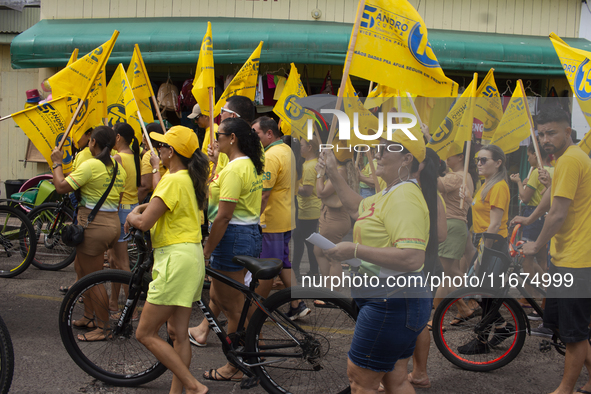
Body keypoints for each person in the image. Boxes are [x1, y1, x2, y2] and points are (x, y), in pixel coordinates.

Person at [319, 128, 436, 393]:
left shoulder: (404, 196)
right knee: (395, 377)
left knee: (361, 381)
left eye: (387, 148)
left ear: (407, 159)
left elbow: (412, 257)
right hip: (394, 299)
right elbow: (355, 207)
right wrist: (333, 172)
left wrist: (355, 250)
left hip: (391, 301)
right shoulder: (390, 192)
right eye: (377, 147)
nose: (377, 153)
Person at [125, 125, 210, 394]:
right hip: (191, 257)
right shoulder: (187, 178)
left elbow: (145, 222)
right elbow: (156, 209)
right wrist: (141, 210)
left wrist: (129, 216)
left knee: (145, 333)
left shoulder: (173, 180)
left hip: (176, 260)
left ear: (170, 151)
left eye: (161, 145)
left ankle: (195, 387)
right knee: (177, 332)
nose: (158, 149)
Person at [512, 106, 591, 394]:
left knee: (574, 332)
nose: (545, 139)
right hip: (566, 255)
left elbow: (557, 214)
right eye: (541, 133)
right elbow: (550, 195)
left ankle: (565, 389)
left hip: (578, 260)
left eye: (551, 132)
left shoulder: (571, 160)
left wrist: (536, 245)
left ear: (568, 131)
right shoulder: (562, 161)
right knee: (563, 326)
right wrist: (529, 218)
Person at [50, 126, 126, 341]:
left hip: (94, 226)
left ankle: (103, 328)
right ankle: (89, 316)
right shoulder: (119, 168)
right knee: (82, 270)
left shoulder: (90, 165)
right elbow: (118, 198)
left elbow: (61, 187)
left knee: (93, 279)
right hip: (112, 223)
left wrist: (56, 163)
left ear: (92, 142)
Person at [201, 117, 264, 382]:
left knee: (232, 308)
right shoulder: (245, 164)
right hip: (246, 232)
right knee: (227, 300)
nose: (215, 140)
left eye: (219, 135)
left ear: (232, 138)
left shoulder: (235, 170)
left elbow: (223, 216)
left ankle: (238, 364)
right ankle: (251, 356)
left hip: (233, 236)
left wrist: (206, 250)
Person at [251, 116, 309, 317]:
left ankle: (256, 312)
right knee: (284, 263)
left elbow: (264, 194)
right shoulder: (286, 150)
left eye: (255, 132)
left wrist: (253, 219)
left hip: (272, 220)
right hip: (285, 217)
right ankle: (297, 303)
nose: (253, 137)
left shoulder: (271, 156)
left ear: (269, 133)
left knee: (267, 269)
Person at [457, 144, 511, 355]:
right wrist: (471, 200)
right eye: (477, 160)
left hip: (493, 243)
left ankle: (482, 340)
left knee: (483, 291)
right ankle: (502, 327)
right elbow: (483, 213)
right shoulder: (488, 184)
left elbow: (495, 224)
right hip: (486, 241)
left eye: (483, 160)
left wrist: (484, 253)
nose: (478, 164)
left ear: (498, 163)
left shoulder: (498, 186)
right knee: (482, 291)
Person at [432, 144, 476, 317]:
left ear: (461, 158)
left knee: (445, 272)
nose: (446, 156)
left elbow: (439, 185)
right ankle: (470, 303)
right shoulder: (465, 176)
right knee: (452, 272)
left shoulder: (457, 176)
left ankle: (438, 317)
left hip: (452, 224)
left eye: (451, 154)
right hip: (457, 225)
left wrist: (427, 165)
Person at [509, 143, 554, 311]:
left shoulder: (537, 172)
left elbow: (524, 197)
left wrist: (519, 182)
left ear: (536, 155)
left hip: (533, 216)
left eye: (529, 156)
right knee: (543, 259)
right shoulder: (555, 170)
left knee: (527, 258)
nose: (528, 159)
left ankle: (529, 295)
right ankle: (543, 294)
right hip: (547, 218)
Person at [314, 142, 358, 289]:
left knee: (333, 257)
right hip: (332, 217)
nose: (322, 155)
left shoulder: (339, 171)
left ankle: (332, 292)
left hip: (334, 219)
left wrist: (319, 174)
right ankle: (328, 287)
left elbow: (321, 192)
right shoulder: (341, 169)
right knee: (319, 250)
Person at [108, 122, 141, 315]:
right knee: (114, 260)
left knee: (122, 262)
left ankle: (131, 310)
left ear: (118, 137)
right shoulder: (133, 155)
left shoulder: (118, 157)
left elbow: (117, 188)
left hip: (121, 210)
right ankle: (114, 303)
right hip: (131, 208)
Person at [292, 135, 321, 281]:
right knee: (305, 241)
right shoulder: (310, 163)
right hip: (308, 209)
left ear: (310, 148)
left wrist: (294, 186)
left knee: (303, 241)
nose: (300, 148)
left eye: (302, 145)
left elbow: (308, 191)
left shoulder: (309, 166)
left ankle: (300, 271)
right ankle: (312, 271)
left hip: (307, 210)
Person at [138, 122, 167, 203]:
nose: (143, 141)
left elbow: (145, 186)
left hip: (153, 197)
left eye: (144, 137)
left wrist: (135, 205)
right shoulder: (167, 152)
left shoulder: (149, 156)